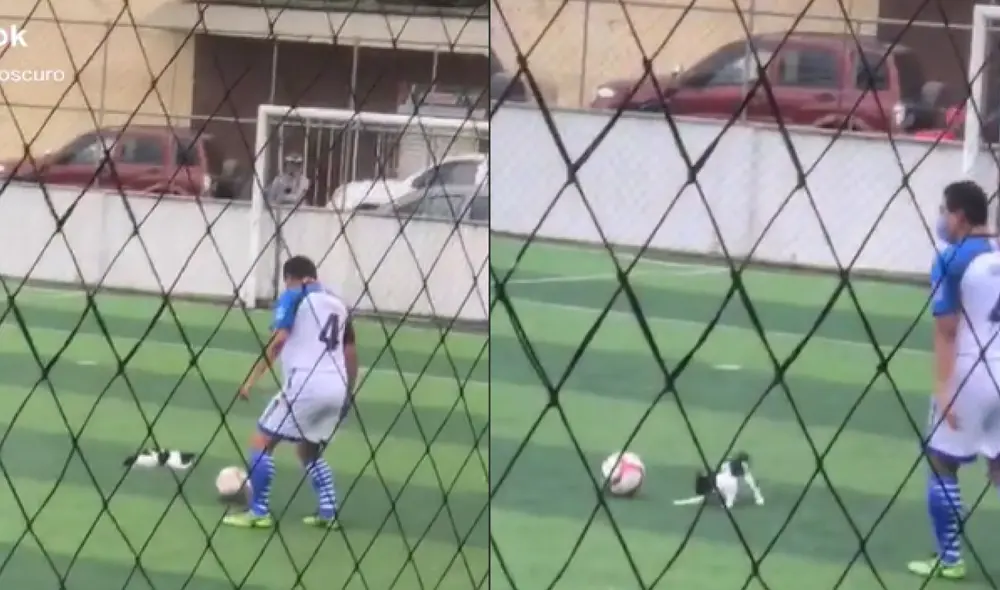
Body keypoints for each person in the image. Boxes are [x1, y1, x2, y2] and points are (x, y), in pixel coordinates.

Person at [907, 180, 1000, 580]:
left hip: (969, 372)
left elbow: (946, 329)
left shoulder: (950, 258)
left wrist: (944, 390)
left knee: (941, 462)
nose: (942, 218)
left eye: (944, 210)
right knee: (998, 465)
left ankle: (949, 559)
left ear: (959, 215)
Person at [223, 255, 357, 529]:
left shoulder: (293, 295)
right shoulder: (338, 304)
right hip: (336, 387)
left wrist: (250, 380)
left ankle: (258, 512)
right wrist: (348, 395)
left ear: (289, 278)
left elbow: (279, 340)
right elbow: (350, 353)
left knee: (261, 443)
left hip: (305, 385)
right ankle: (328, 514)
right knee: (308, 451)